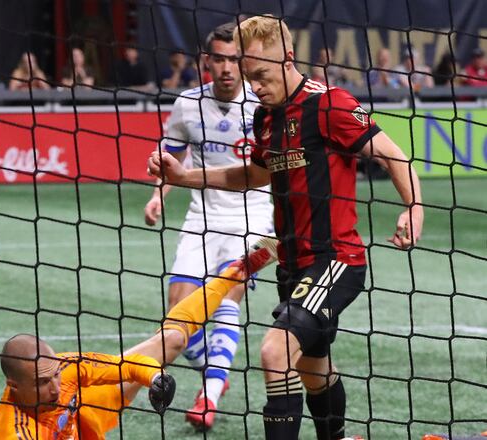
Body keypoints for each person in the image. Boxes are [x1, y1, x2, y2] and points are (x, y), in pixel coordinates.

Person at [148, 14, 424, 440]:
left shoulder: (329, 104)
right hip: (290, 264)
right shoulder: (265, 117)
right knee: (314, 371)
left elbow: (392, 155)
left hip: (335, 260)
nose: (254, 86)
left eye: (260, 75)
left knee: (275, 352)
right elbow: (253, 176)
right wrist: (183, 178)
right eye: (248, 77)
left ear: (288, 59)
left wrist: (413, 207)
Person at [0, 238, 279, 439]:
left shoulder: (64, 370)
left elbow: (125, 367)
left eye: (53, 376)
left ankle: (237, 270)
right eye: (42, 382)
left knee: (172, 342)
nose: (54, 386)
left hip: (87, 406)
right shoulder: (13, 432)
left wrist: (155, 379)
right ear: (13, 387)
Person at [143, 22, 274, 431]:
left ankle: (209, 396)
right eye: (218, 59)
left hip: (252, 214)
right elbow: (171, 159)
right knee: (177, 317)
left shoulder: (263, 104)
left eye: (234, 59)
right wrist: (157, 196)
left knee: (227, 293)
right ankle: (217, 372)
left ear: (245, 61)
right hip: (202, 217)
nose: (226, 68)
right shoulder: (187, 104)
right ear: (207, 61)